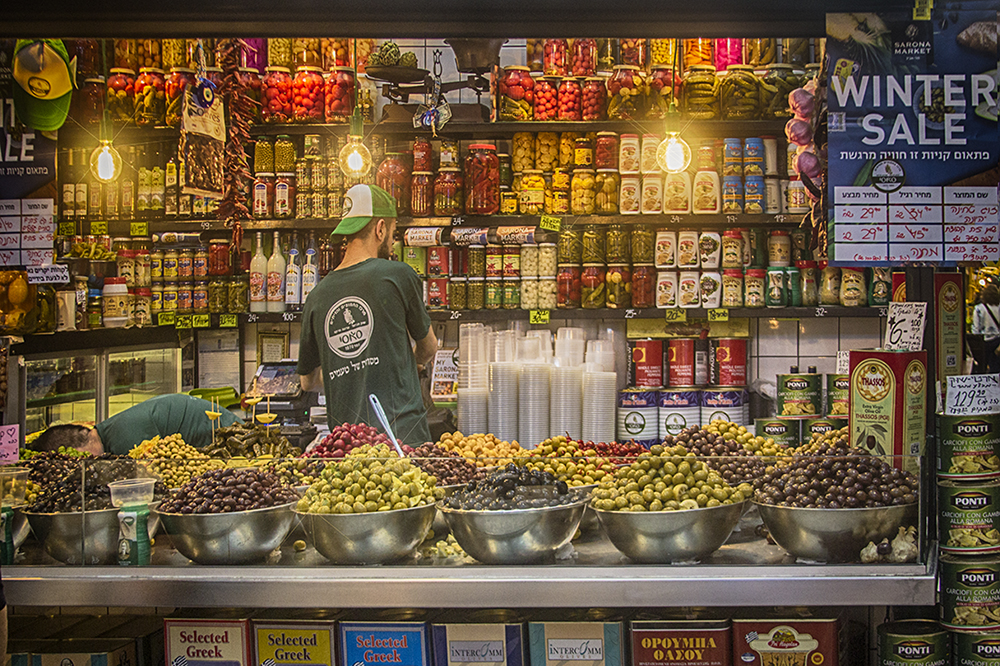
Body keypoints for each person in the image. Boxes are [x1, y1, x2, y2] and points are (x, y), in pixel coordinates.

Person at [298, 183, 437, 445]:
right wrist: (410, 364)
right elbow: (429, 347)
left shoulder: (316, 296)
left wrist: (347, 369)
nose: (392, 243)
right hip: (403, 438)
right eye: (393, 233)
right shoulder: (398, 275)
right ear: (380, 228)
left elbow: (307, 382)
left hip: (348, 446)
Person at [30, 394, 242, 455]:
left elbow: (152, 476)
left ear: (79, 448)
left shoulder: (124, 439)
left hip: (226, 435)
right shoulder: (112, 432)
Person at [972, 284, 1000, 374]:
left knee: (983, 368)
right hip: (998, 342)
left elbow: (976, 329)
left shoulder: (979, 308)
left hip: (984, 342)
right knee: (996, 368)